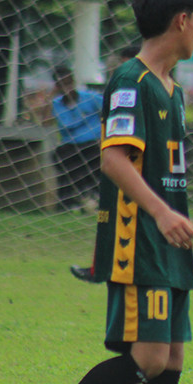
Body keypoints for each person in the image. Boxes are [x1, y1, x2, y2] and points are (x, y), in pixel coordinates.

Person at [50, 0, 193, 384]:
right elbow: (113, 159)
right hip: (139, 239)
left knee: (172, 357)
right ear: (181, 21)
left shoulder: (171, 88)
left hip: (169, 241)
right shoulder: (129, 80)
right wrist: (162, 213)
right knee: (150, 358)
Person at [71, 45, 142, 283]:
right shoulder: (121, 85)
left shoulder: (143, 85)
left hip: (133, 166)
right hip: (113, 159)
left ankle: (120, 268)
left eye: (127, 61)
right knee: (106, 217)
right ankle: (99, 268)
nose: (123, 67)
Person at [51, 65, 104, 212]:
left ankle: (95, 198)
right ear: (57, 86)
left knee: (95, 163)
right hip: (70, 145)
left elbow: (109, 108)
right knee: (62, 161)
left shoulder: (91, 98)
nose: (67, 87)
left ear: (73, 82)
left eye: (68, 83)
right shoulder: (57, 104)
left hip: (92, 143)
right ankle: (67, 203)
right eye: (62, 84)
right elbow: (64, 124)